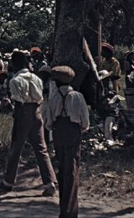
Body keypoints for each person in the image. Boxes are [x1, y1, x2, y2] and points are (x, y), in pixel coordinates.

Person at [0, 51, 57, 196]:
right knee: (41, 148)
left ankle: (8, 181)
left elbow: (18, 101)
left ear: (15, 64)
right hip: (37, 110)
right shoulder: (36, 77)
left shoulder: (15, 80)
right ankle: (49, 182)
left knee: (16, 147)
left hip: (23, 111)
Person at [43, 66, 89, 218]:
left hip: (58, 131)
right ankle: (70, 211)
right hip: (73, 131)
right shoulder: (77, 96)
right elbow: (85, 122)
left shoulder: (53, 97)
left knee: (62, 168)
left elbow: (48, 122)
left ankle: (65, 209)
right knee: (72, 168)